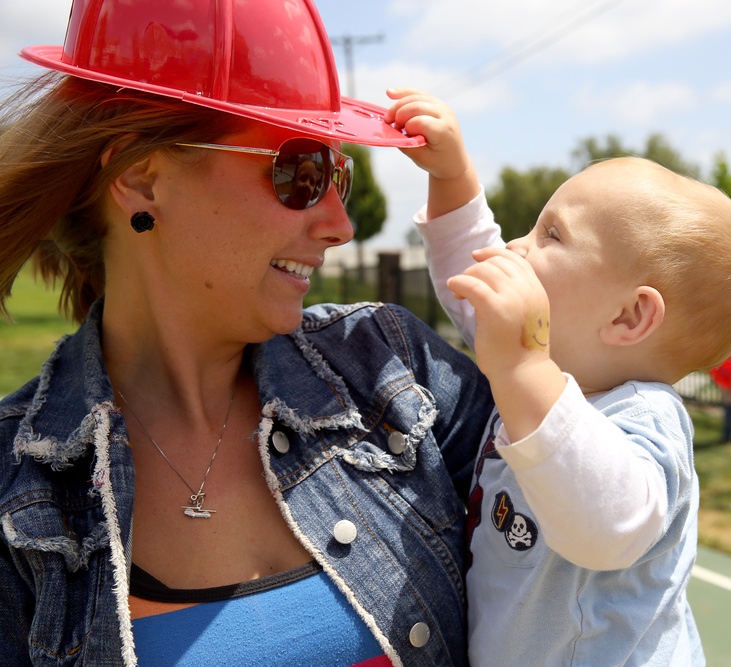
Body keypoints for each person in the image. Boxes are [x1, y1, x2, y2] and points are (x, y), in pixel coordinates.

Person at [0, 3, 493, 666]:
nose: (340, 224)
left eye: (337, 175)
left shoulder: (396, 375)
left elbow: (595, 507)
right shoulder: (16, 487)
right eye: (301, 173)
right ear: (141, 176)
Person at [386, 91, 731, 666]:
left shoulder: (643, 416)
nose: (517, 246)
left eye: (552, 236)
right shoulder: (545, 362)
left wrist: (522, 366)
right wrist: (454, 176)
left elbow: (607, 526)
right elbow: (481, 274)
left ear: (627, 317)